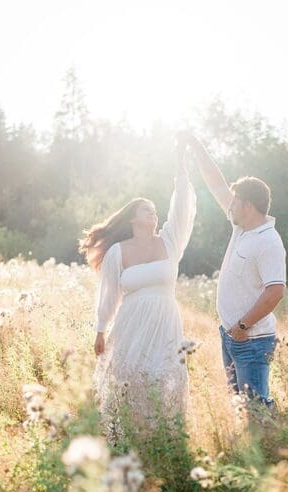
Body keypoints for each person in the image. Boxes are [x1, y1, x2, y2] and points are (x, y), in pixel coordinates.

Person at [79, 136, 196, 435]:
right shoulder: (119, 251)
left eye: (155, 210)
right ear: (132, 218)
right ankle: (126, 436)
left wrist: (180, 169)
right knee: (129, 375)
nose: (153, 214)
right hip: (132, 321)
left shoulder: (169, 241)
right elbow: (108, 293)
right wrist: (100, 330)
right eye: (146, 209)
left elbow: (181, 208)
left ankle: (166, 439)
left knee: (166, 376)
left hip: (165, 320)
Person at [180, 132, 287, 410]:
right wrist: (197, 146)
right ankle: (255, 449)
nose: (230, 205)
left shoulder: (268, 240)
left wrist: (242, 326)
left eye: (235, 202)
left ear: (248, 206)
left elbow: (275, 291)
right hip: (230, 335)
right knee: (240, 407)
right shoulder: (242, 228)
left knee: (256, 408)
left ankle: (274, 450)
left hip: (251, 339)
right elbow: (216, 183)